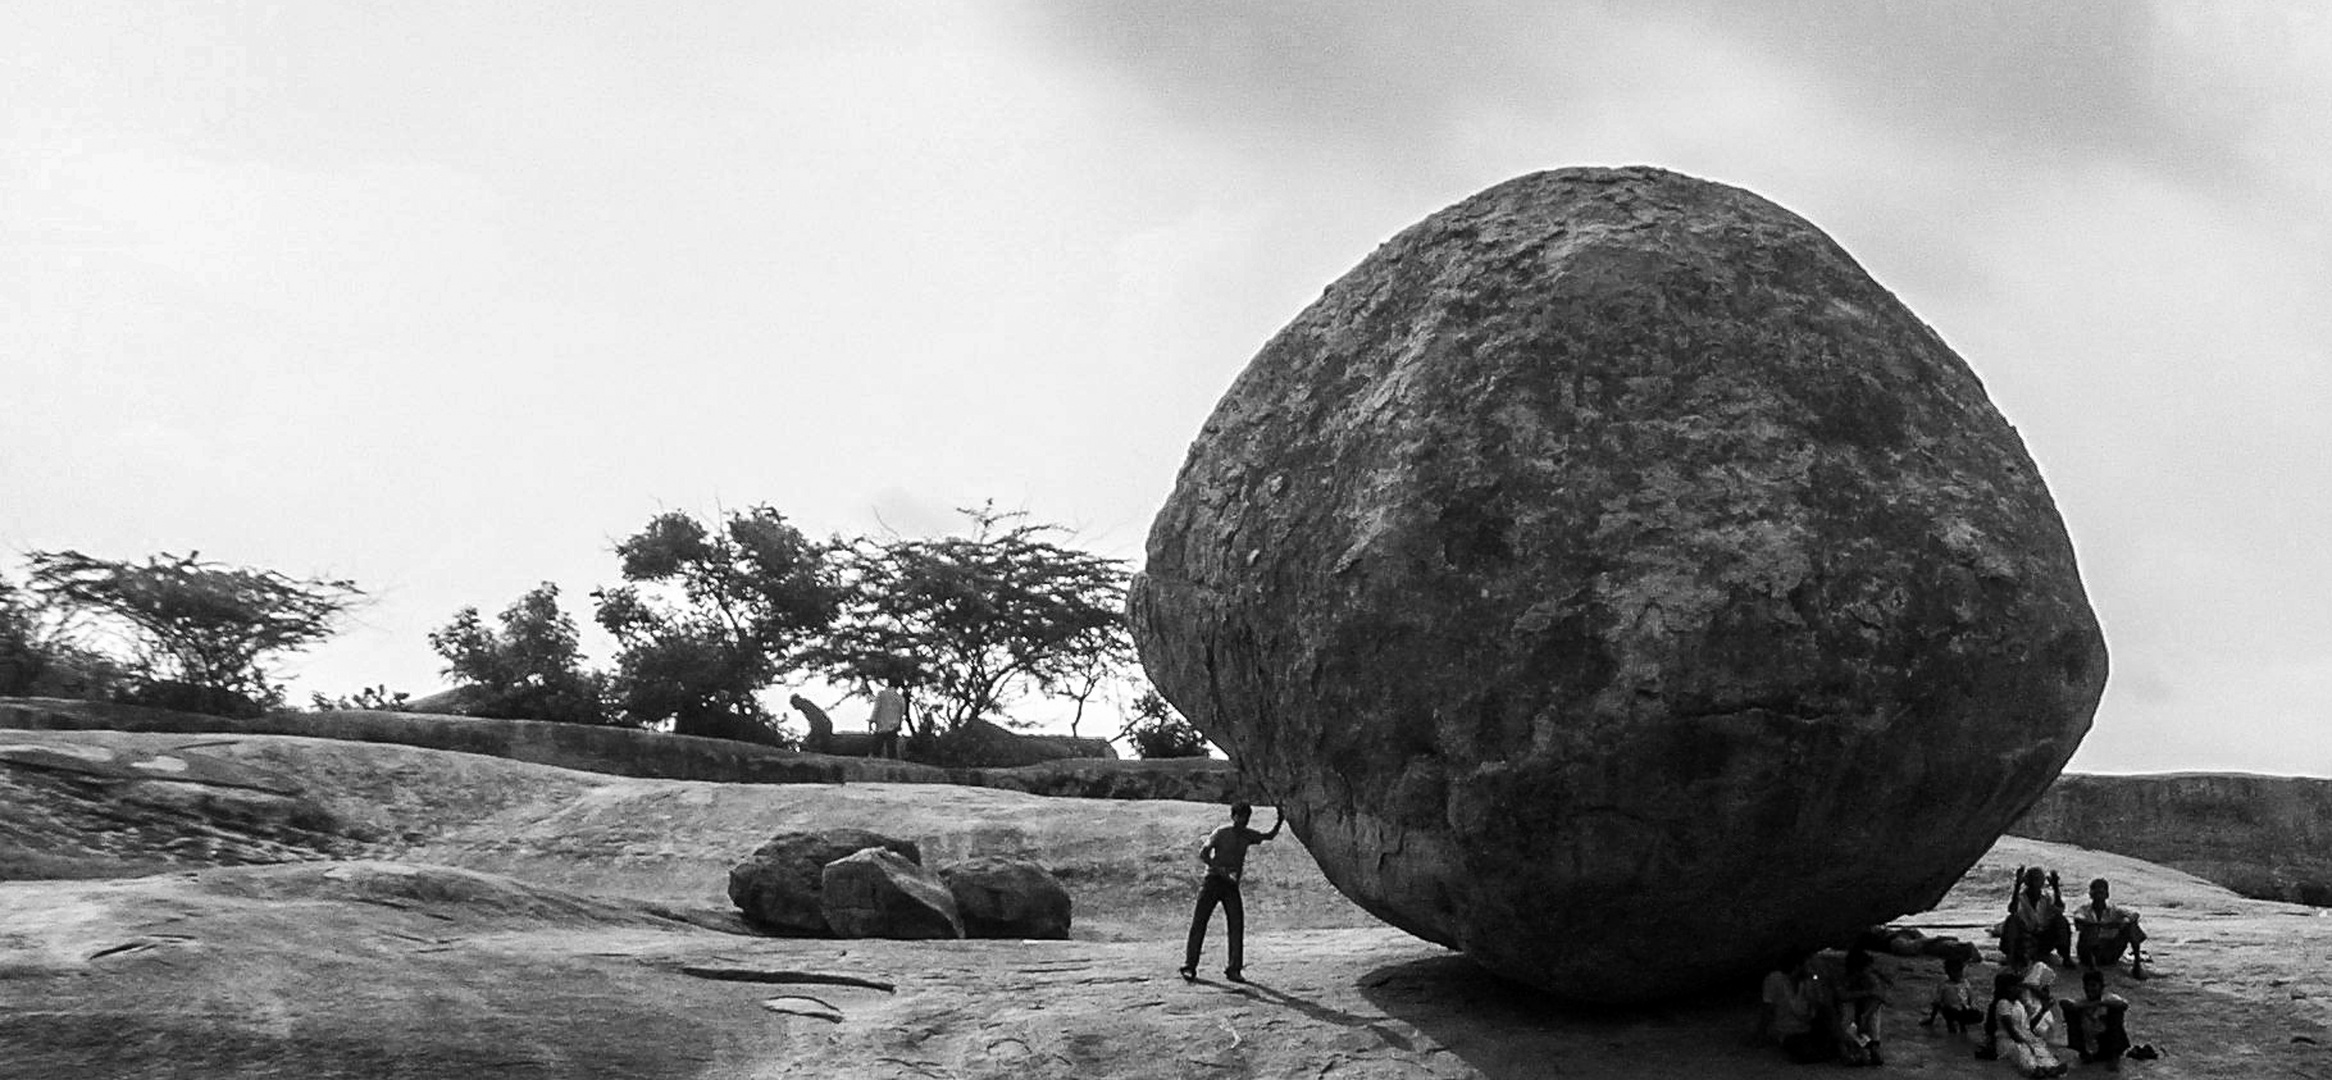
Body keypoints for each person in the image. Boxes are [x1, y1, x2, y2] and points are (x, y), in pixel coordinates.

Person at [1180, 802, 1281, 983]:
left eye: (1247, 817)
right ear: (1233, 816)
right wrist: (1218, 869)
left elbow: (1269, 836)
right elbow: (1204, 853)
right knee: (1199, 922)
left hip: (1231, 885)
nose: (1244, 821)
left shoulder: (1247, 835)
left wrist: (1280, 818)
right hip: (1212, 881)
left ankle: (1234, 969)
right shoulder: (1221, 832)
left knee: (1236, 924)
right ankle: (1190, 965)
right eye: (1241, 816)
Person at [1756, 953, 1835, 1064]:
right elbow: (1768, 1009)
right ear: (1798, 967)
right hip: (1790, 1031)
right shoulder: (1775, 980)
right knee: (1808, 1053)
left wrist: (1815, 985)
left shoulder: (1807, 983)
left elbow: (1820, 1004)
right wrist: (1761, 1034)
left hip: (1809, 1026)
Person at [1993, 970, 2067, 1078]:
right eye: (2017, 987)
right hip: (2008, 1040)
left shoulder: (2019, 1004)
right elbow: (2011, 1031)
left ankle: (2048, 1067)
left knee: (2039, 1048)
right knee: (2021, 1052)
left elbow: (2029, 1025)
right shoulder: (2003, 1004)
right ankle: (2035, 1070)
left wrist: (2043, 1011)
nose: (2020, 990)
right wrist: (2026, 1042)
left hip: (2022, 1036)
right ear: (2009, 988)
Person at [2072, 878, 2150, 978]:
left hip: (2110, 951)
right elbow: (2079, 919)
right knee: (2091, 929)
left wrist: (2124, 922)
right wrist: (2106, 925)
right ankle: (2093, 968)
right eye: (2096, 893)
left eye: (2101, 893)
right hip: (2088, 953)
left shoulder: (2114, 910)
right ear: (2091, 894)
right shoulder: (2084, 909)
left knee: (2130, 925)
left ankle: (2137, 966)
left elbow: (2134, 915)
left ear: (2107, 895)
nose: (2099, 896)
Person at [2059, 969, 2132, 1070]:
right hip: (2091, 1043)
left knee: (2115, 1012)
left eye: (2093, 985)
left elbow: (2124, 1005)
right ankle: (2084, 1053)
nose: (2089, 989)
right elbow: (2063, 1003)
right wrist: (2082, 1006)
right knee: (2070, 1013)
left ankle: (2114, 1056)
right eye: (2087, 986)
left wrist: (2099, 1003)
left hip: (2107, 1042)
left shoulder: (2110, 998)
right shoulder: (2082, 1002)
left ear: (2101, 987)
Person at [2003, 866, 2073, 968]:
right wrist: (2017, 886)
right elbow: (2012, 910)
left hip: (2044, 938)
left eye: (2038, 880)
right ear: (2026, 882)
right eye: (2032, 879)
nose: (2034, 884)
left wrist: (2056, 888)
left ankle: (2066, 957)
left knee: (2061, 920)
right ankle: (2011, 956)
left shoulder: (2046, 898)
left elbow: (2060, 910)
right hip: (2026, 938)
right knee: (2011, 920)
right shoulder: (2021, 898)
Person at [1836, 946, 1889, 1066]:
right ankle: (1868, 1045)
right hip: (1847, 1012)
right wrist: (1866, 993)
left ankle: (1871, 1044)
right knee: (1847, 1013)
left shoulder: (1871, 978)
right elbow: (1842, 995)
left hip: (1863, 1011)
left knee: (1873, 1013)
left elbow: (1879, 997)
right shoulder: (1844, 978)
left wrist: (1865, 1016)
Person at [1920, 954, 1985, 1035]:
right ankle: (1953, 1033)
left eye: (1960, 970)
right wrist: (1931, 1019)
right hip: (1950, 1011)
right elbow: (1937, 1003)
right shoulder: (1944, 985)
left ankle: (1962, 1030)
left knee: (1967, 1020)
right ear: (1948, 972)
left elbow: (1971, 997)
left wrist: (1975, 1007)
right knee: (1950, 1018)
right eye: (1956, 971)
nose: (1959, 973)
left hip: (1963, 1010)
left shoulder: (1965, 983)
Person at [869, 685, 905, 759]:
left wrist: (872, 720)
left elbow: (876, 708)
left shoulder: (881, 694)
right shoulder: (900, 698)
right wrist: (899, 725)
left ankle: (873, 760)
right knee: (891, 749)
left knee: (877, 747)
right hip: (893, 726)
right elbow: (901, 713)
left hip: (881, 725)